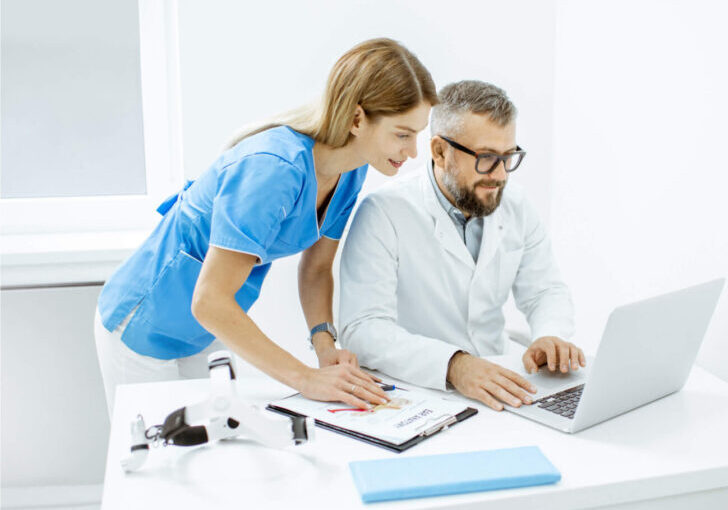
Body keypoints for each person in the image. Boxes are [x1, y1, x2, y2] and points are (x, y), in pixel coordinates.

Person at [94, 38, 437, 416]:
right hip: (144, 324)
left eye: (417, 135)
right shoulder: (274, 168)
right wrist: (305, 378)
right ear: (357, 119)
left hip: (207, 327)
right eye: (403, 134)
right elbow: (209, 300)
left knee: (219, 448)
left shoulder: (351, 170)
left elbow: (317, 268)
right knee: (159, 462)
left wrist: (324, 343)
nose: (413, 152)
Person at [339, 80, 585, 411]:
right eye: (486, 158)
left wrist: (550, 335)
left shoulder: (514, 204)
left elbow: (545, 292)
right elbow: (362, 329)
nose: (499, 175)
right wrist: (454, 365)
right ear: (440, 151)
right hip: (423, 391)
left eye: (508, 156)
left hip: (502, 378)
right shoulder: (384, 212)